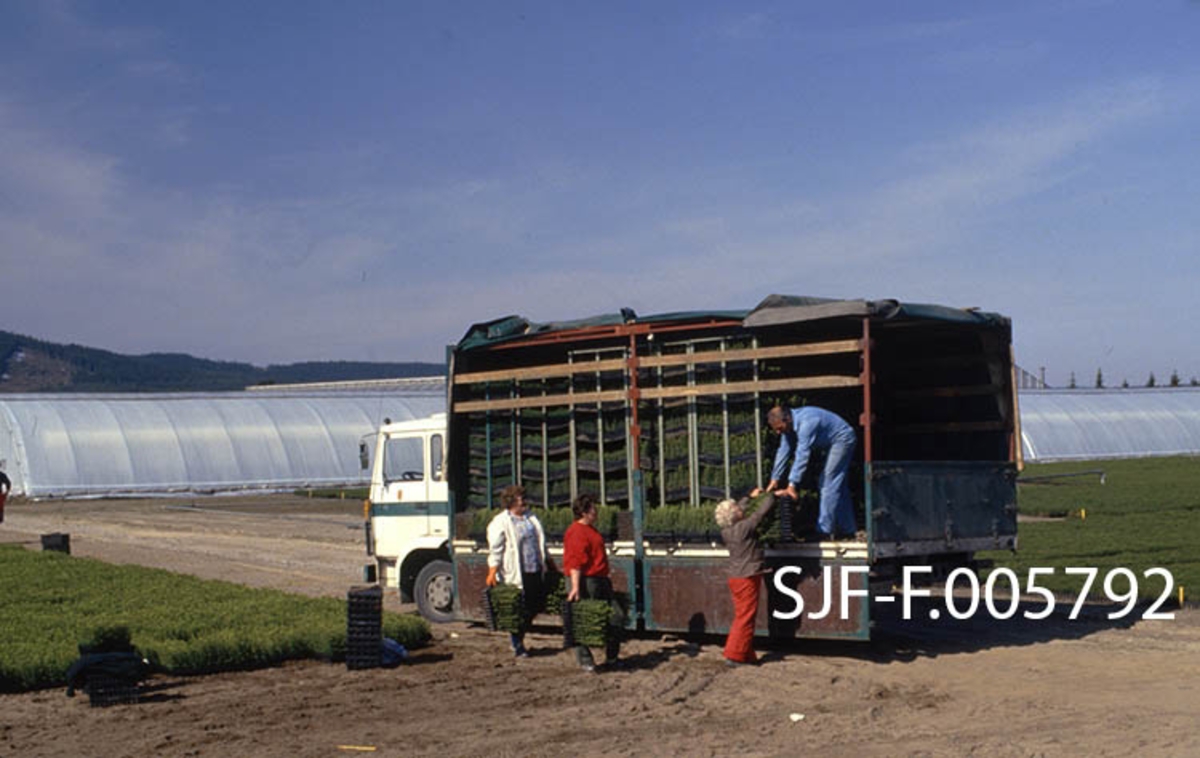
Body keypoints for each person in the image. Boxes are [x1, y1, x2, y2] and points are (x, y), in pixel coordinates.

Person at [766, 405, 858, 539]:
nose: (778, 433)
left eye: (779, 428)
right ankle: (848, 529)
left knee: (827, 482)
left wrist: (792, 485)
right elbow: (783, 451)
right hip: (831, 443)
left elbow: (802, 454)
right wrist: (774, 479)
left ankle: (824, 531)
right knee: (838, 485)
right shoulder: (788, 427)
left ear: (787, 419)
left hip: (842, 439)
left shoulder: (807, 422)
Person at [485, 485, 552, 658]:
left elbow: (541, 543)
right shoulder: (501, 522)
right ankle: (517, 643)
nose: (524, 502)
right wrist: (492, 571)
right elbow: (496, 549)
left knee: (533, 606)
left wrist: (549, 563)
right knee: (519, 609)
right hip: (516, 571)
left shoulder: (531, 518)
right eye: (520, 499)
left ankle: (519, 638)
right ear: (511, 502)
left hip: (534, 568)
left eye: (523, 498)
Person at [562, 494, 623, 673]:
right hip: (585, 580)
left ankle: (612, 657)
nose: (596, 511)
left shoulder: (591, 530)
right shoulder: (576, 532)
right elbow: (575, 561)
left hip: (600, 579)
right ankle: (586, 660)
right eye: (592, 508)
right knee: (581, 620)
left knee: (616, 616)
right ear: (584, 512)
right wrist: (575, 586)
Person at [714, 488, 775, 666]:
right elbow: (761, 511)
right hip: (747, 576)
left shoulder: (728, 530)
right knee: (745, 617)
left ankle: (746, 654)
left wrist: (748, 497)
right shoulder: (744, 527)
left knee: (743, 614)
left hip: (736, 576)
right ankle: (733, 654)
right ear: (736, 515)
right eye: (738, 509)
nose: (741, 509)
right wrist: (770, 494)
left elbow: (738, 510)